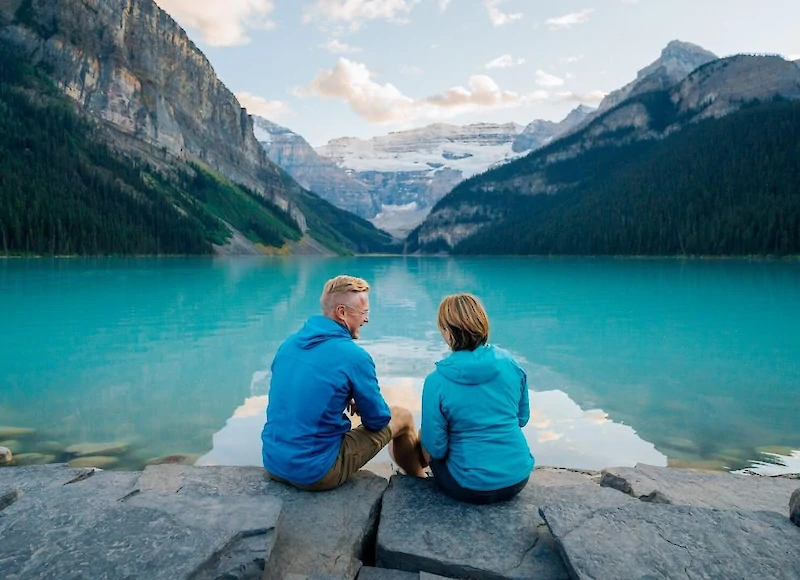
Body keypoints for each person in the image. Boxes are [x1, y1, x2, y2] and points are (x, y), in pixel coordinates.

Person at [261, 275, 426, 490]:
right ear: (342, 312)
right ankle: (420, 480)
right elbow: (378, 420)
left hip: (273, 463)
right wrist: (362, 401)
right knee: (402, 416)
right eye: (364, 313)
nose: (366, 320)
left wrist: (344, 395)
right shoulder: (354, 357)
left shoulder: (288, 345)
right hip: (315, 473)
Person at [420, 293, 534, 504]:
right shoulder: (511, 363)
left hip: (469, 486)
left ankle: (416, 479)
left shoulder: (436, 381)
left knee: (423, 433)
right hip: (518, 479)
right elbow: (521, 418)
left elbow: (436, 448)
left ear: (447, 331)